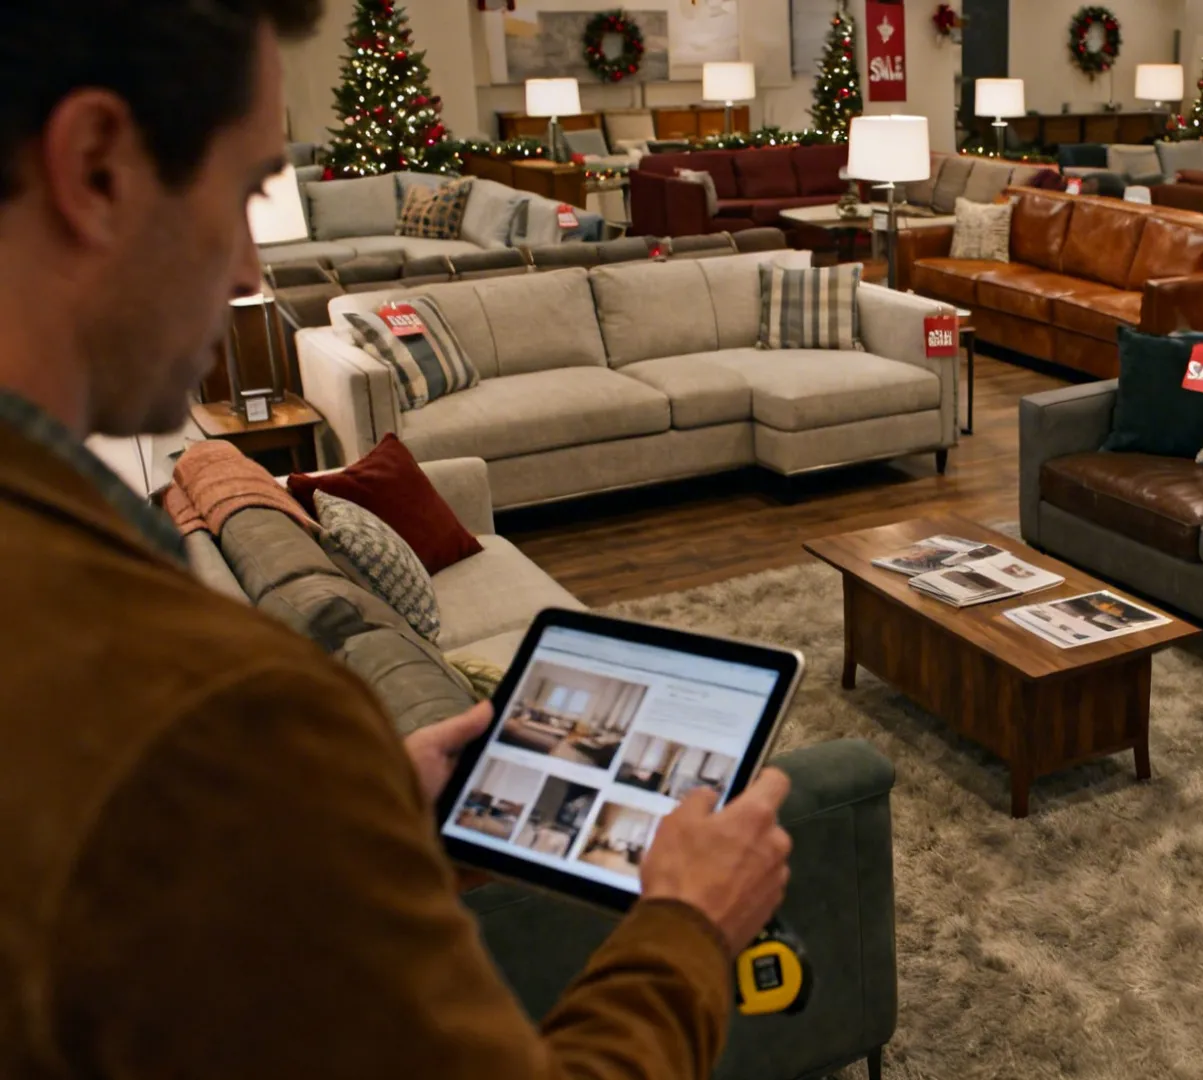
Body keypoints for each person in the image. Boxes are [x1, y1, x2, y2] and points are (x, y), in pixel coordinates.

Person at [0, 3, 793, 1076]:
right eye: (242, 192)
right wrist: (690, 926)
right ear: (95, 169)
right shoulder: (212, 704)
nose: (246, 269)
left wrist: (328, 828)